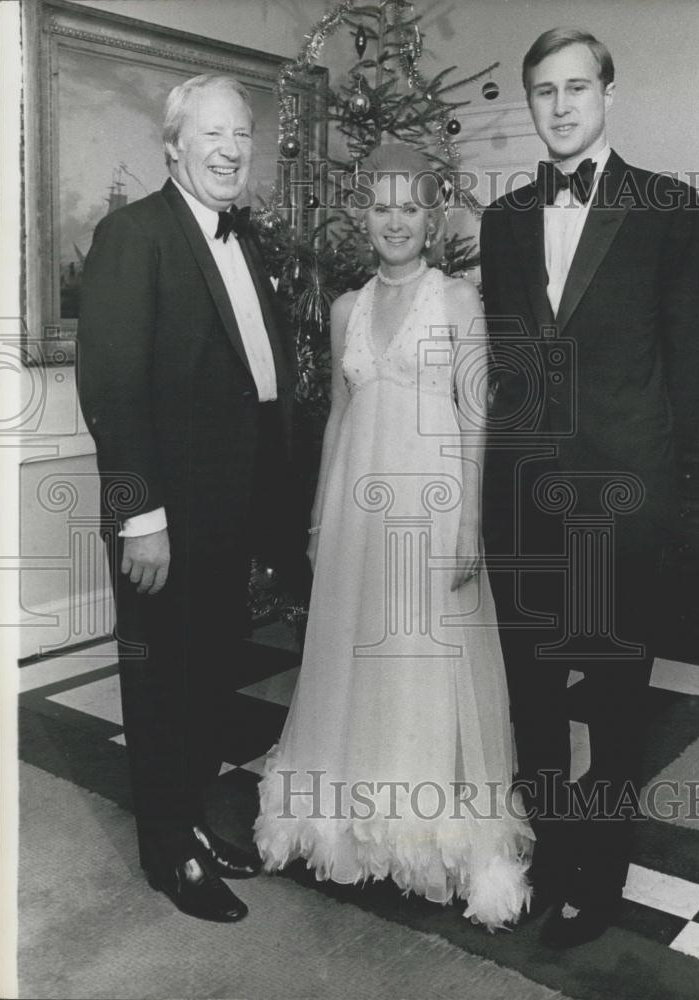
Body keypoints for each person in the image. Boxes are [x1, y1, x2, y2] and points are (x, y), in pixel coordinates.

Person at [254, 143, 534, 930]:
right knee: (353, 658)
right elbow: (340, 418)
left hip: (433, 506)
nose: (396, 221)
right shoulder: (346, 308)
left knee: (420, 664)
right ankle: (352, 826)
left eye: (411, 207)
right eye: (381, 206)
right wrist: (316, 518)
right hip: (355, 511)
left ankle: (428, 837)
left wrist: (470, 522)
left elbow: (478, 416)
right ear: (362, 216)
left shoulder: (459, 303)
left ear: (434, 216)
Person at [480, 28, 699, 947]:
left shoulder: (665, 206)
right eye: (544, 91)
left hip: (621, 505)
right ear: (531, 104)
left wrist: (643, 476)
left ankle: (603, 883)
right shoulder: (504, 220)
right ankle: (549, 862)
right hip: (523, 502)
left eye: (578, 87)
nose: (563, 105)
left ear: (609, 94)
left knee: (618, 704)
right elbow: (505, 366)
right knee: (533, 702)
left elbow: (693, 366)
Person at [77, 74, 302, 923]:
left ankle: (195, 824)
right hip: (163, 526)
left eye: (242, 134)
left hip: (229, 524)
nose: (230, 149)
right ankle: (169, 855)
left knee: (208, 684)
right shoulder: (133, 236)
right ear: (173, 145)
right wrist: (141, 518)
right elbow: (112, 391)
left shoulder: (244, 245)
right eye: (211, 134)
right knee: (162, 688)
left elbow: (257, 390)